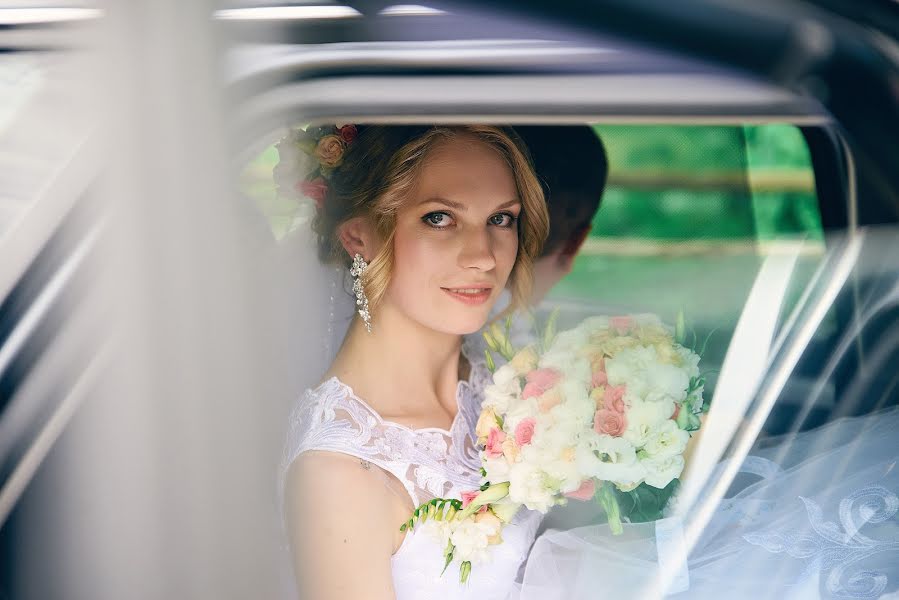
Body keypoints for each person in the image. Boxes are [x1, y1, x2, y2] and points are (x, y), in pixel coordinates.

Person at [279, 124, 549, 600]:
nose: (484, 257)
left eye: (501, 220)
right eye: (440, 218)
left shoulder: (509, 387)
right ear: (358, 236)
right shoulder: (339, 472)